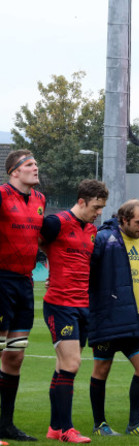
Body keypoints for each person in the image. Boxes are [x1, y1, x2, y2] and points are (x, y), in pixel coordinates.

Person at [88, 200, 139, 437]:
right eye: (138, 222)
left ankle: (134, 424)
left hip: (135, 318)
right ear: (123, 220)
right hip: (108, 316)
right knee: (101, 369)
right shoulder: (104, 238)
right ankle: (100, 424)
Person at [40, 180, 108, 443]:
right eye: (96, 206)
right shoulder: (56, 222)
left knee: (63, 366)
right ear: (81, 201)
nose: (99, 211)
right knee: (71, 364)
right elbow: (30, 242)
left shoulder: (92, 229)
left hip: (82, 305)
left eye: (102, 207)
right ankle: (67, 430)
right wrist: (47, 269)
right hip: (59, 304)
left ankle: (55, 428)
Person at [0, 150, 45, 442]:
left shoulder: (40, 200)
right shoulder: (1, 195)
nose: (35, 168)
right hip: (1, 280)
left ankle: (6, 424)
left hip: (24, 283)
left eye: (36, 164)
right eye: (29, 165)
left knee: (15, 356)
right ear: (14, 171)